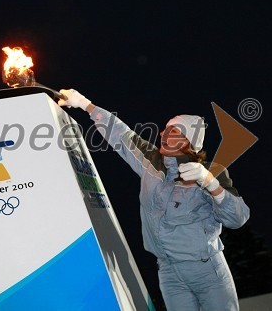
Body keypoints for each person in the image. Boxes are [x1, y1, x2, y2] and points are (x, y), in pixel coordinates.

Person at [58, 88, 250, 311]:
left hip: (206, 271)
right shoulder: (152, 162)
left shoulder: (211, 172)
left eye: (174, 132)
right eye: (165, 130)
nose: (163, 134)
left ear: (189, 143)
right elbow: (120, 133)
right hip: (169, 273)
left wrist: (211, 184)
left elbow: (238, 218)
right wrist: (84, 103)